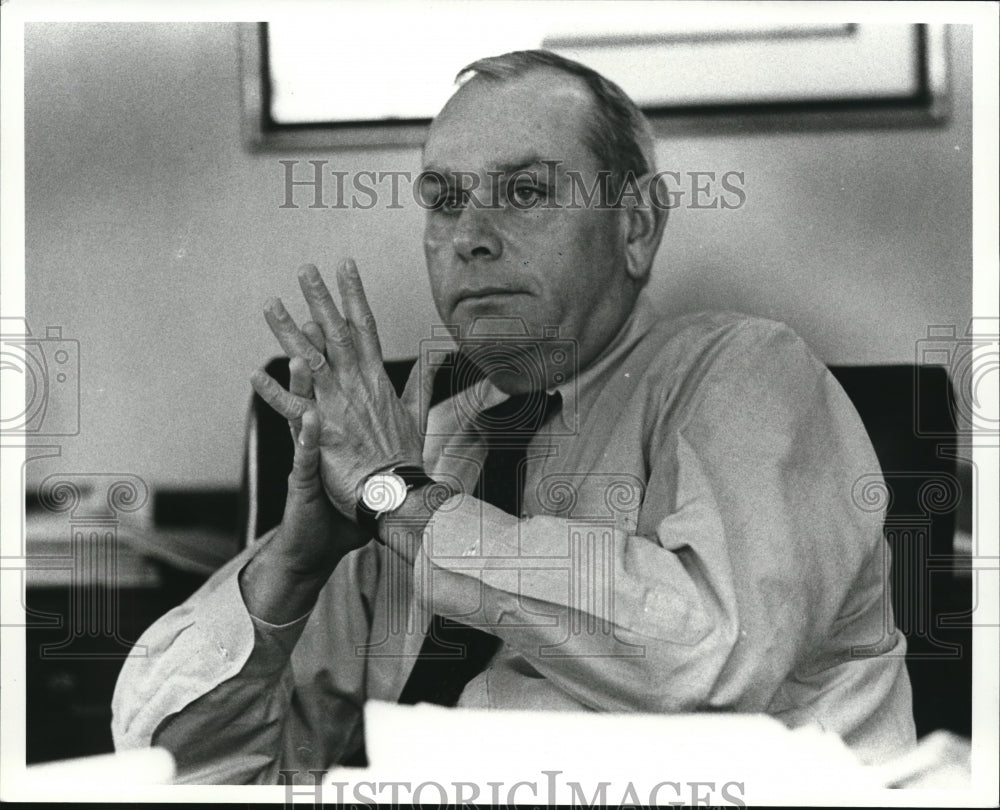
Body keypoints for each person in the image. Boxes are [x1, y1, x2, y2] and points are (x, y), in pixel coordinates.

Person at [112, 50, 916, 783]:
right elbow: (175, 767)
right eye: (445, 201)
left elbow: (707, 661)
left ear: (636, 226)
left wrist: (408, 504)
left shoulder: (749, 372)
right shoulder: (413, 445)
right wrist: (295, 563)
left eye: (524, 192)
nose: (469, 239)